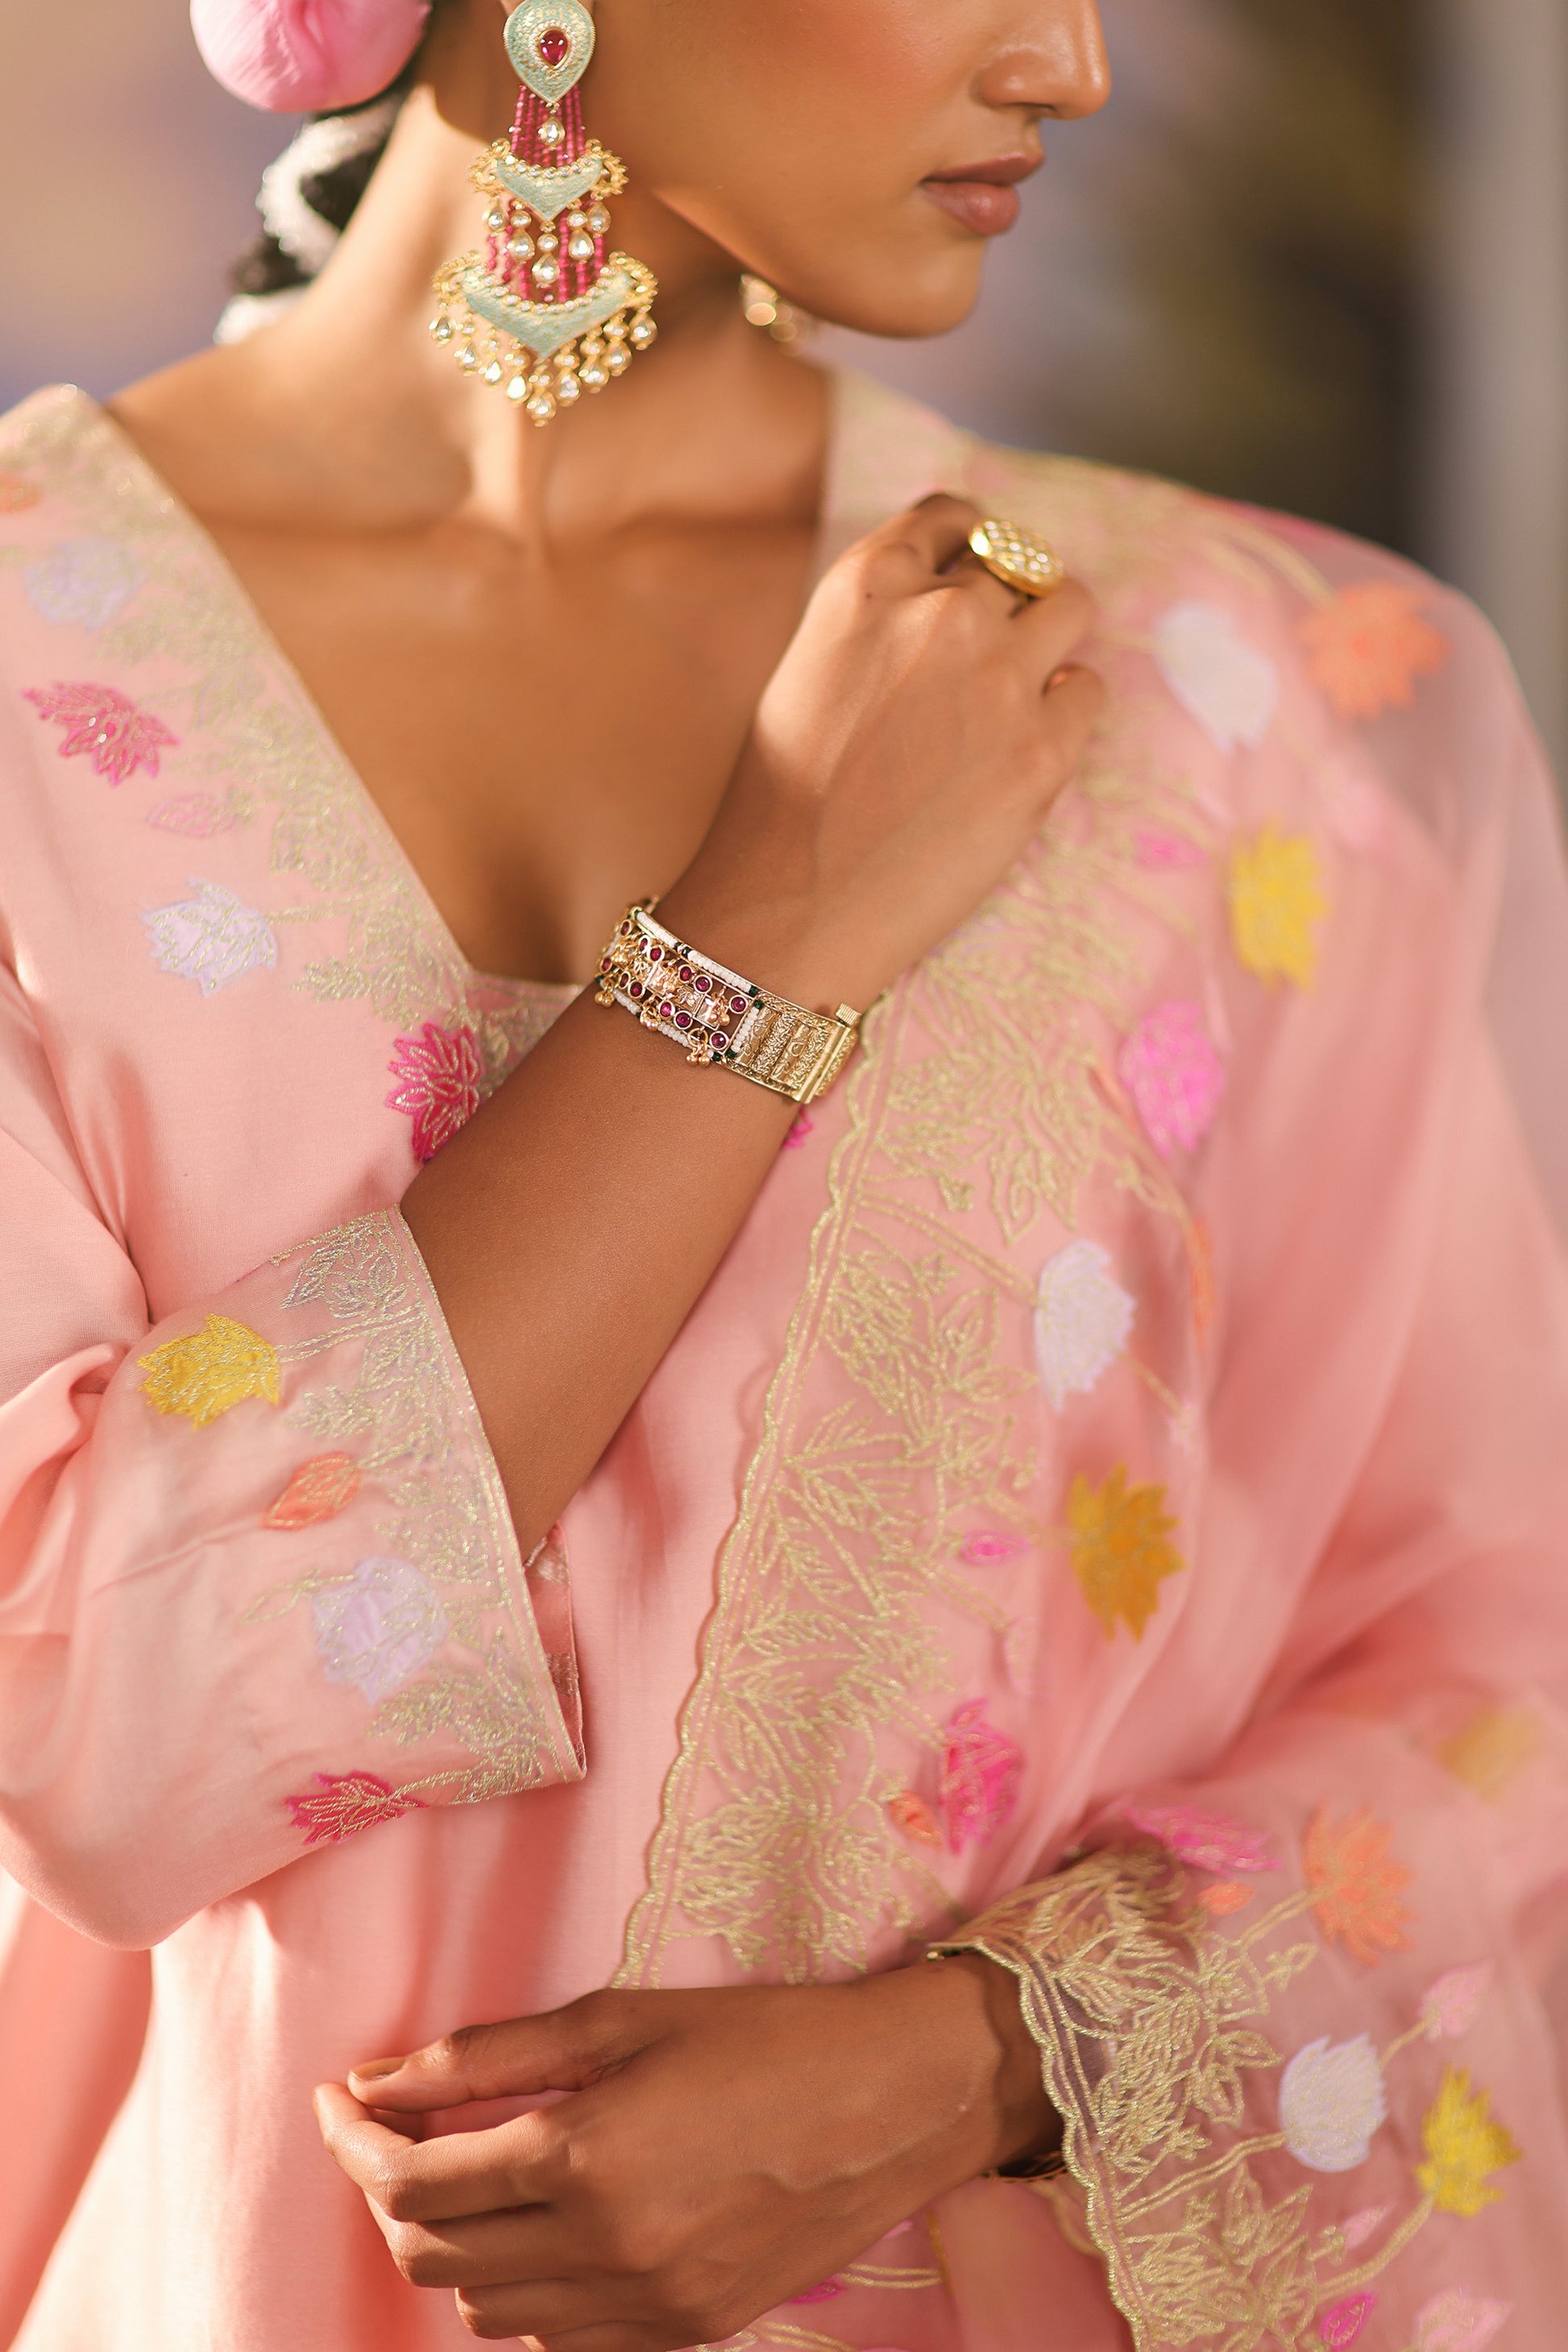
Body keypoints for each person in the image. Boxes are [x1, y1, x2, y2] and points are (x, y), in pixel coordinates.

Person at [2, 0, 1566, 2344]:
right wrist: (756, 938)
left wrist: (985, 2061)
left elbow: (1498, 1663)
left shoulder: (1242, 698)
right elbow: (94, 1735)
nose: (1071, 65)